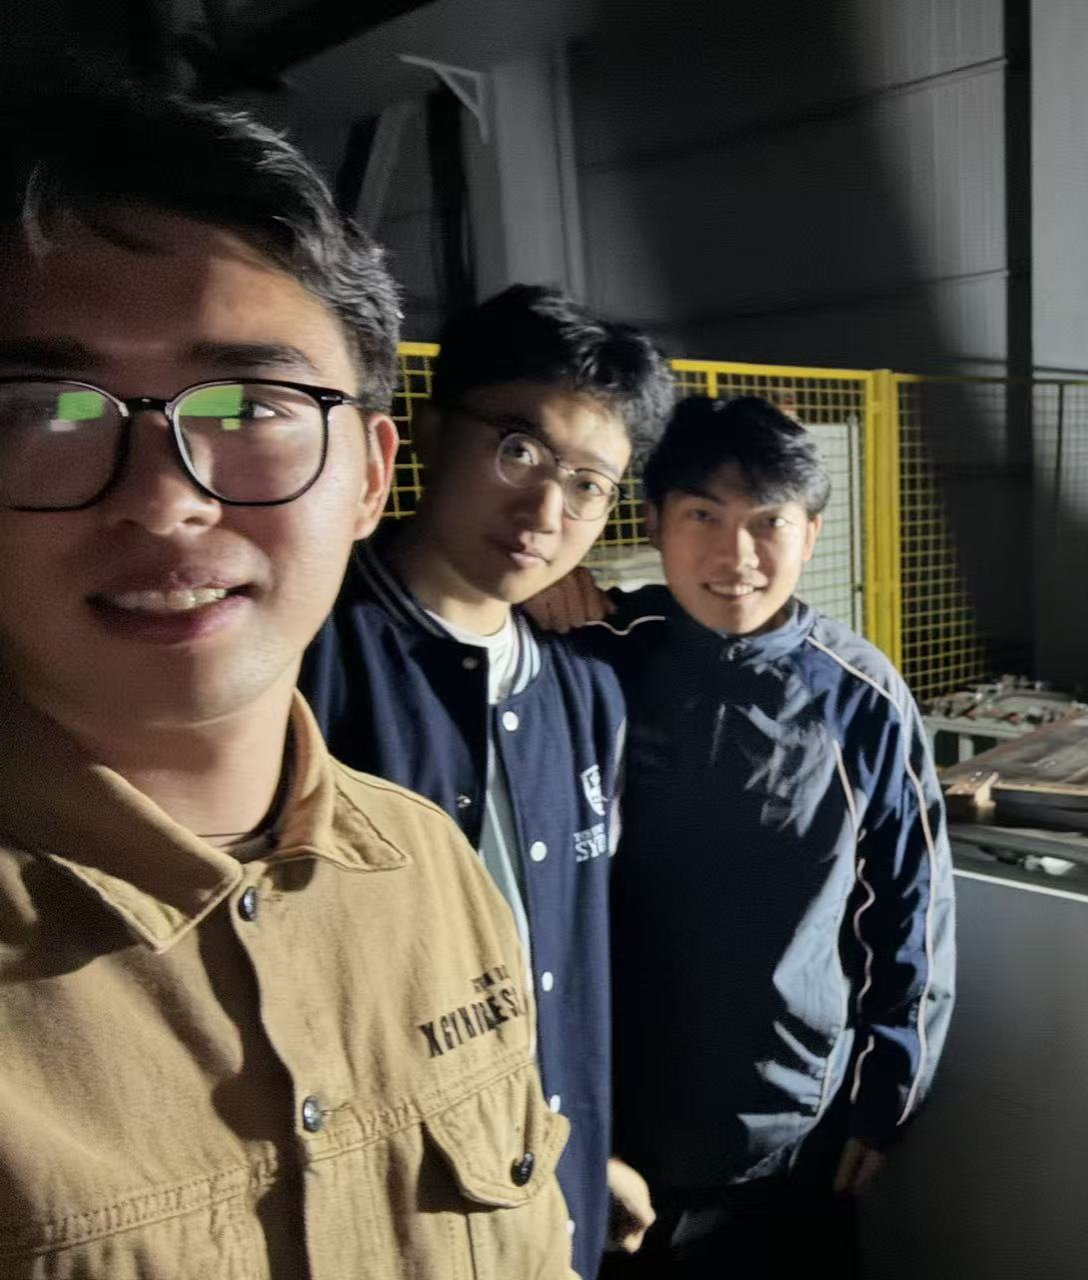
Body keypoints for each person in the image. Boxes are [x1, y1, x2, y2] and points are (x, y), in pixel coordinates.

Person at [0, 82, 577, 1277]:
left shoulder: (434, 871)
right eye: (50, 408)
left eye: (248, 404)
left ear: (368, 475)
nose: (165, 499)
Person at [532, 396, 957, 1278]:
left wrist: (888, 1096)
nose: (737, 557)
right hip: (610, 1123)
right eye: (703, 517)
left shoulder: (861, 696)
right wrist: (521, 591)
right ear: (653, 522)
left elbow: (911, 907)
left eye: (769, 521)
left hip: (794, 1125)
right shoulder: (590, 656)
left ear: (811, 534)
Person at [300, 284, 675, 1276]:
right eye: (518, 449)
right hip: (384, 1218)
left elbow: (565, 959)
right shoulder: (310, 663)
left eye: (588, 484)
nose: (546, 511)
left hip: (548, 1188)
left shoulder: (585, 692)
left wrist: (585, 1150)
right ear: (426, 433)